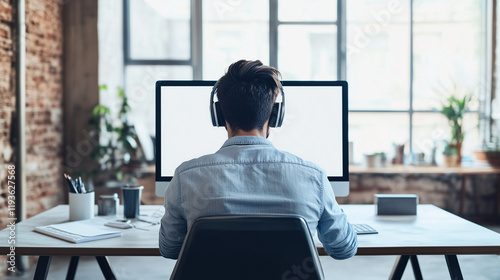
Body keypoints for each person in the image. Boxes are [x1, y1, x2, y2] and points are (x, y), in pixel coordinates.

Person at [159, 59, 357, 260]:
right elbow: (343, 250)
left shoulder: (186, 177)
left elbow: (170, 250)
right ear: (275, 115)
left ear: (218, 115)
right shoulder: (314, 177)